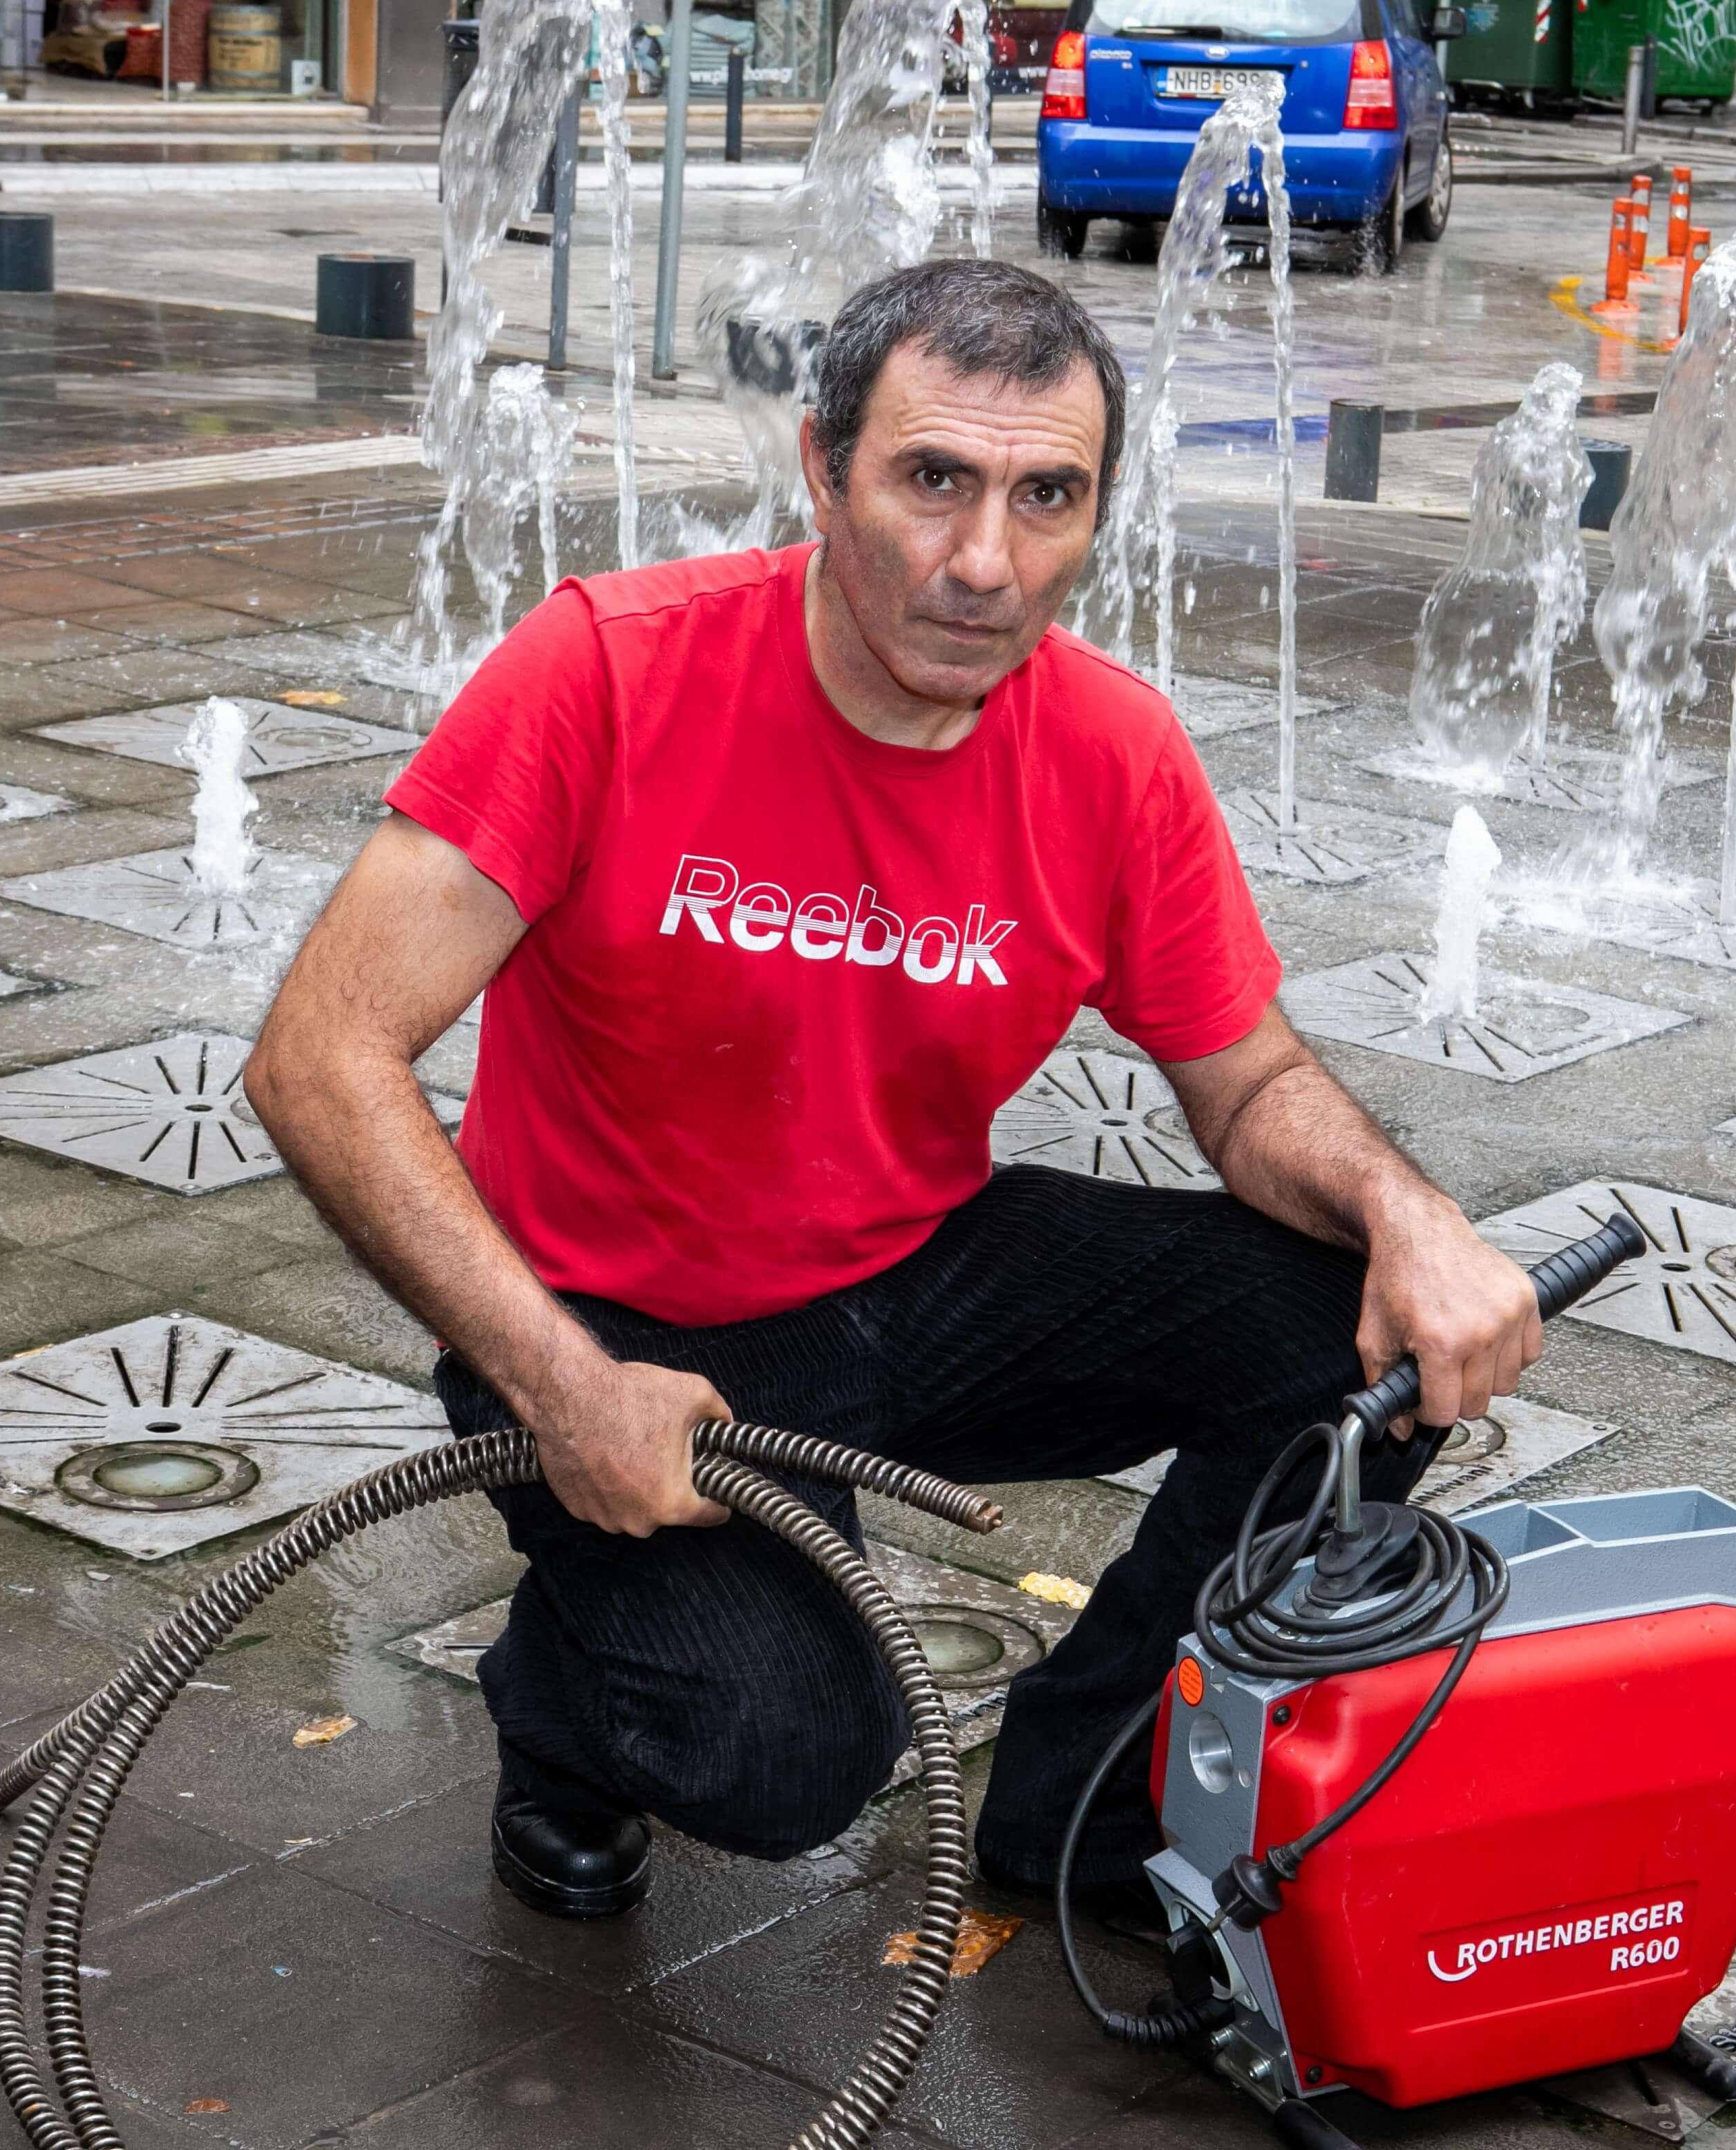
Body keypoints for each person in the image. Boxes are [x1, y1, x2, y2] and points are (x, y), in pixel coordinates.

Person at [245, 258, 1542, 1922]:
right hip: (607, 1322)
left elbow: (1250, 1082)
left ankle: (1084, 1804)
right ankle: (562, 1709)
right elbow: (320, 1056)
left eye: (1046, 497)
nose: (985, 563)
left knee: (1352, 1335)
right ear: (821, 468)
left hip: (911, 1274)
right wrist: (563, 1390)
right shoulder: (609, 670)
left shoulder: (1113, 752)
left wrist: (1407, 1216)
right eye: (932, 479)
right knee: (789, 1763)